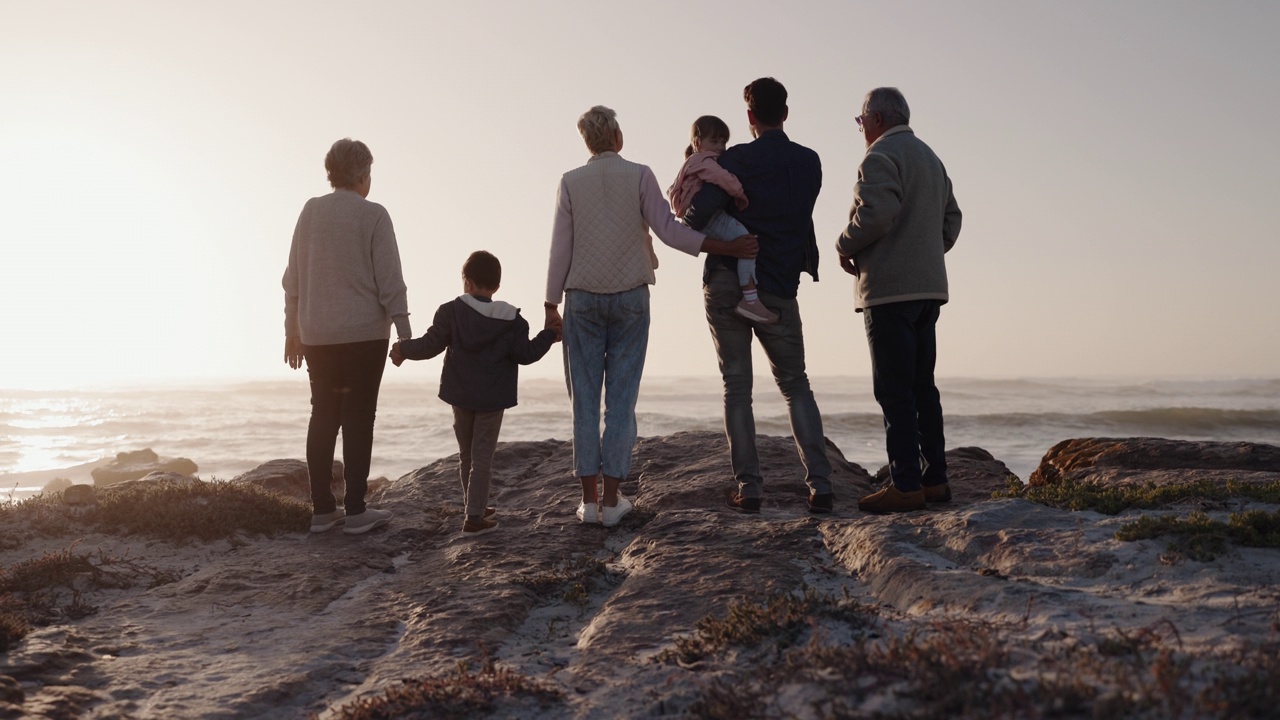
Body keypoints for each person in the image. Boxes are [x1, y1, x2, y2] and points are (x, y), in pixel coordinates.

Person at [545, 105, 758, 527]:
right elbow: (670, 231)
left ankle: (588, 504)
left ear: (587, 142)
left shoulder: (570, 182)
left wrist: (551, 304)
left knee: (584, 400)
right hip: (629, 296)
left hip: (582, 298)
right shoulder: (640, 174)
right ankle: (611, 500)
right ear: (618, 138)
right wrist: (727, 248)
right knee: (622, 400)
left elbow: (560, 247)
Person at [683, 77, 834, 515]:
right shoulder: (810, 162)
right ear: (785, 113)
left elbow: (696, 217)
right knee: (795, 384)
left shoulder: (733, 161)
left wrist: (729, 245)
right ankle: (821, 487)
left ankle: (749, 490)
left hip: (729, 279)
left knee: (737, 387)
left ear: (749, 117)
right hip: (781, 286)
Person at [836, 87, 962, 514]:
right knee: (922, 387)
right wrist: (925, 252)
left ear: (876, 117)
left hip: (890, 291)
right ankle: (935, 479)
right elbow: (952, 219)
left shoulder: (879, 157)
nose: (860, 129)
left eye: (860, 120)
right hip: (929, 289)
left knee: (894, 390)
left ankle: (905, 484)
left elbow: (875, 214)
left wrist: (843, 244)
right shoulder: (930, 157)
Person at [283, 138, 409, 535]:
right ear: (362, 175)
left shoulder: (310, 211)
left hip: (316, 334)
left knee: (323, 415)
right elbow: (390, 282)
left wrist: (292, 331)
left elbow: (293, 280)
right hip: (364, 335)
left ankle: (322, 510)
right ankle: (355, 509)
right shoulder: (373, 215)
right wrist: (405, 334)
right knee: (358, 417)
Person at [390, 251, 558, 536]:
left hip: (461, 395)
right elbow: (526, 354)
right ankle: (475, 514)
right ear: (496, 287)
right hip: (492, 399)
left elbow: (431, 345)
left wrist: (403, 350)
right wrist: (550, 334)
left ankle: (474, 507)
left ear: (466, 282)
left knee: (466, 454)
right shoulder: (513, 321)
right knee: (482, 457)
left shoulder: (451, 312)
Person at [668, 115, 778, 324]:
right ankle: (750, 299)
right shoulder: (704, 162)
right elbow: (721, 178)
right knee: (746, 242)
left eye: (724, 142)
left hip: (703, 218)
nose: (721, 147)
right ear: (698, 143)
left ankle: (749, 295)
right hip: (710, 218)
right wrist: (739, 193)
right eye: (715, 141)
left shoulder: (692, 163)